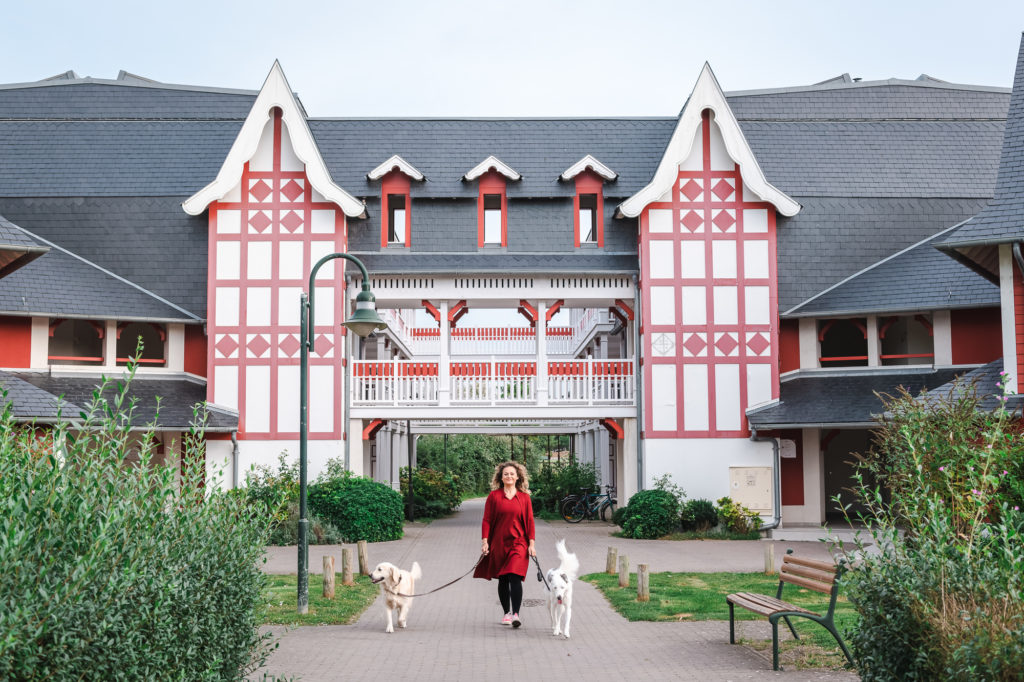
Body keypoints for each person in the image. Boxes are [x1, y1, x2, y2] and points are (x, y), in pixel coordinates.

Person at [473, 460, 536, 628]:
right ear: (501, 477)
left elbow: (530, 521)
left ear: (517, 477)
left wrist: (531, 544)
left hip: (519, 543)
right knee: (503, 579)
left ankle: (516, 614)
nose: (509, 476)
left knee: (515, 576)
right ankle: (506, 613)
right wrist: (485, 541)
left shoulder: (524, 498)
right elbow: (486, 520)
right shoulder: (494, 497)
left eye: (512, 474)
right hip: (499, 543)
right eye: (505, 474)